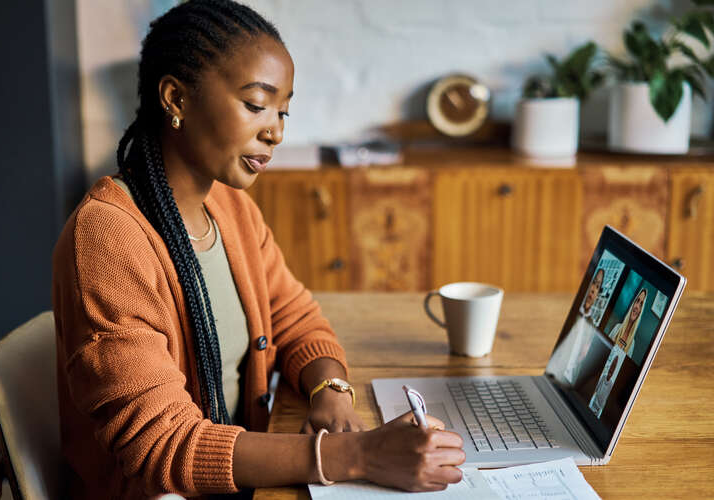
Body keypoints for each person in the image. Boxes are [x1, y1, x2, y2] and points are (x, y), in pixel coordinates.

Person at [51, 2, 465, 498]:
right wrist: (360, 455)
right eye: (256, 105)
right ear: (175, 98)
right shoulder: (107, 237)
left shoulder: (229, 206)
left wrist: (329, 390)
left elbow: (294, 317)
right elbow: (163, 444)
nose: (276, 131)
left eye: (283, 110)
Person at [546, 268, 604, 385]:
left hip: (570, 380)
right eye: (593, 283)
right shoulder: (572, 312)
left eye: (597, 287)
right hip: (554, 373)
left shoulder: (592, 326)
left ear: (598, 294)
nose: (593, 290)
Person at [608, 288, 647, 358]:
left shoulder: (632, 344)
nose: (637, 306)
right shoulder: (617, 328)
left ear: (641, 312)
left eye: (641, 304)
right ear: (633, 303)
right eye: (637, 301)